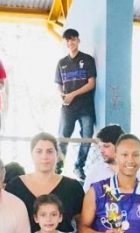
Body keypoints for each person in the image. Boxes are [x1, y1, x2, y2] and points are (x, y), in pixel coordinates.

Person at [7, 132, 85, 233]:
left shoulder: (73, 187)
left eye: (49, 151)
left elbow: (83, 226)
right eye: (39, 151)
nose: (44, 157)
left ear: (57, 154)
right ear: (31, 154)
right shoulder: (15, 186)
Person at [55, 28, 96, 181]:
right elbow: (58, 84)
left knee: (87, 137)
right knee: (63, 138)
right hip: (67, 108)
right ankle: (58, 168)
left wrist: (73, 94)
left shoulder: (87, 60)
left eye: (72, 39)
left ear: (78, 40)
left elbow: (91, 83)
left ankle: (79, 166)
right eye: (67, 40)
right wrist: (62, 95)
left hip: (86, 107)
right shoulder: (61, 63)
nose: (70, 42)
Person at [82, 124, 140, 192]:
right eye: (100, 146)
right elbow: (85, 199)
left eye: (106, 146)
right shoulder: (95, 170)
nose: (101, 151)